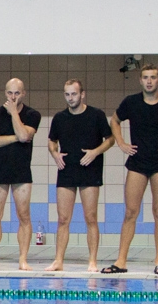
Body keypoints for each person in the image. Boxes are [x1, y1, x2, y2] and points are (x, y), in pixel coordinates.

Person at [102, 65, 158, 276]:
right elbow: (114, 120)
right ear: (141, 81)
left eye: (153, 77)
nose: (149, 81)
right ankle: (121, 260)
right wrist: (122, 143)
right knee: (130, 212)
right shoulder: (131, 102)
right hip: (138, 163)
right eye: (145, 78)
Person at [46, 78, 113, 272]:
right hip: (66, 170)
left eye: (74, 94)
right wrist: (54, 153)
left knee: (90, 217)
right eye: (67, 94)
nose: (70, 98)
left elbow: (110, 140)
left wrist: (95, 152)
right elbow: (51, 141)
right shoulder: (59, 118)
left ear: (82, 94)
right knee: (62, 219)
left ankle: (92, 261)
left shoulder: (96, 115)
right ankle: (58, 260)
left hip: (89, 169)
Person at [0, 77, 41, 270]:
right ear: (5, 93)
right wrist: (17, 137)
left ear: (23, 93)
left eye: (17, 93)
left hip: (22, 171)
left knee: (24, 216)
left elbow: (26, 136)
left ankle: (23, 259)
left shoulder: (33, 114)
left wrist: (14, 113)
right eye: (10, 93)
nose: (13, 96)